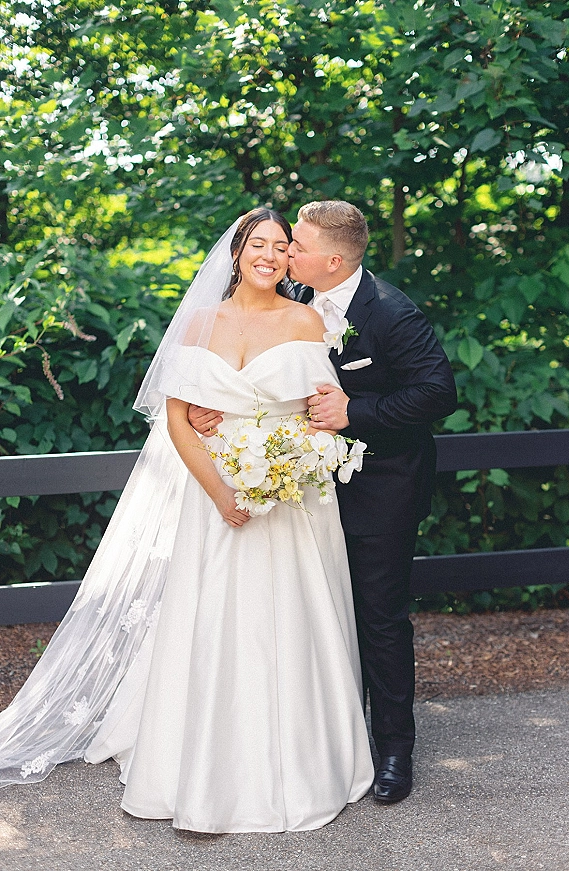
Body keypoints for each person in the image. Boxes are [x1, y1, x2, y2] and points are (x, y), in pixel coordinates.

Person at [0, 208, 374, 832]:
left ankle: (305, 763)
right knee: (218, 622)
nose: (272, 255)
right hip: (214, 499)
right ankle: (203, 768)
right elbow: (178, 420)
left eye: (283, 247)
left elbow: (317, 412)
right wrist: (224, 494)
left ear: (292, 261)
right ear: (235, 253)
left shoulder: (306, 319)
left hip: (289, 502)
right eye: (260, 243)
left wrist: (288, 464)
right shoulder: (200, 323)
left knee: (288, 620)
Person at [189, 201, 457, 804]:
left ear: (332, 261)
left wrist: (353, 413)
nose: (284, 254)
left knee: (378, 618)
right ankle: (328, 740)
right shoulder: (288, 289)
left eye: (296, 246)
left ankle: (393, 751)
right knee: (314, 612)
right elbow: (250, 363)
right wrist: (215, 408)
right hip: (299, 490)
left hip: (381, 489)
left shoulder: (391, 314)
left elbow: (438, 393)